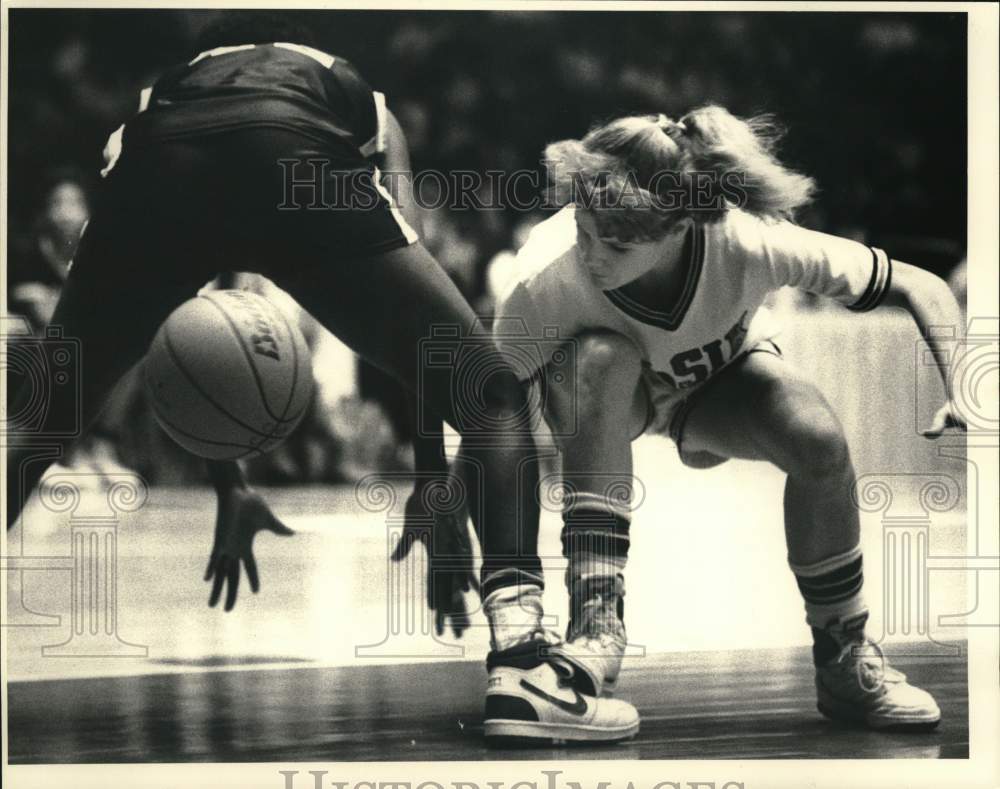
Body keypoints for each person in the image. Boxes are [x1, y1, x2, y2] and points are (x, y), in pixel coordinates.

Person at [4, 13, 637, 744]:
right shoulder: (364, 101)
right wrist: (432, 479)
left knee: (38, 420)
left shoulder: (156, 100)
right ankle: (523, 667)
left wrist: (229, 478)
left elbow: (199, 334)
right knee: (489, 393)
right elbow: (423, 325)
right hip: (292, 156)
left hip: (157, 164)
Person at [472, 107, 966, 732]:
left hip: (717, 386)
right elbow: (487, 411)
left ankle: (844, 659)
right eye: (587, 232)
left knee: (817, 437)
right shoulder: (545, 274)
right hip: (612, 396)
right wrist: (437, 498)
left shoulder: (747, 237)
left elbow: (919, 284)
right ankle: (596, 626)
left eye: (619, 244)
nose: (595, 254)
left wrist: (969, 383)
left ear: (682, 226)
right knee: (600, 356)